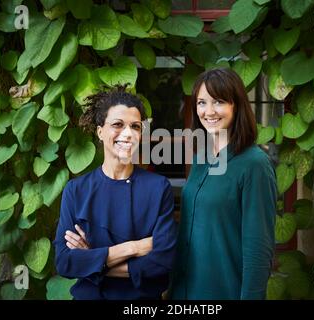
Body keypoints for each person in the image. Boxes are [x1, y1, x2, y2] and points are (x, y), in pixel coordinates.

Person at [54, 86, 177, 300]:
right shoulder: (76, 191)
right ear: (100, 132)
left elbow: (162, 262)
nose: (128, 134)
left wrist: (93, 262)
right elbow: (65, 262)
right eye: (118, 125)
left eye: (135, 127)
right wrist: (134, 247)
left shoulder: (158, 188)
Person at [169, 68, 277, 300]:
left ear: (236, 105)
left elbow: (258, 250)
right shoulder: (201, 160)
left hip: (224, 291)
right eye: (201, 102)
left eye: (218, 102)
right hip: (184, 292)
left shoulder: (255, 165)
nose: (208, 111)